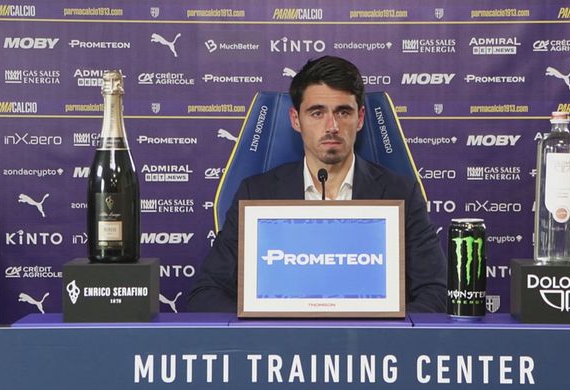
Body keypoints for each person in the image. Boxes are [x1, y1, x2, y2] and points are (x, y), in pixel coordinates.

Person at [187, 55, 447, 313]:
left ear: (360, 118)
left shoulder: (401, 193)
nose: (331, 126)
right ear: (295, 119)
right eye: (317, 113)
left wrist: (380, 329)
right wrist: (266, 326)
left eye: (343, 112)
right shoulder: (256, 193)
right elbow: (206, 293)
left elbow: (437, 292)